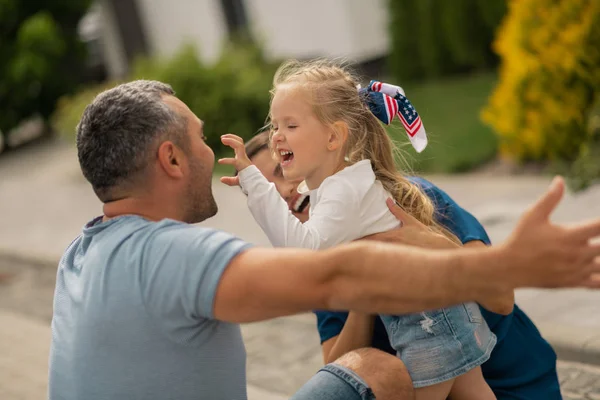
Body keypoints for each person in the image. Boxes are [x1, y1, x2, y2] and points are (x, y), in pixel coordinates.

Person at [48, 80, 600, 400]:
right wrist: (358, 278)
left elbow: (497, 298)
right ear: (170, 159)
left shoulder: (80, 254)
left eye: (288, 173)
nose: (288, 199)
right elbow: (333, 302)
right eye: (198, 137)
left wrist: (404, 251)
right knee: (383, 369)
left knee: (412, 373)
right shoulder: (175, 252)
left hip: (513, 379)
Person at [221, 60, 498, 399]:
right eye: (274, 124)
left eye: (290, 125)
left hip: (427, 321)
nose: (276, 136)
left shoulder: (344, 190)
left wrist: (255, 182)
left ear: (334, 136)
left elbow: (304, 252)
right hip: (441, 310)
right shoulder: (339, 187)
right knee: (475, 393)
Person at [244, 130, 563, 399]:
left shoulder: (408, 198)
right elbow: (341, 371)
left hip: (520, 383)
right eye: (265, 192)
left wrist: (430, 242)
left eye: (282, 169)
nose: (282, 192)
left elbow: (502, 300)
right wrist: (364, 289)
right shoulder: (323, 255)